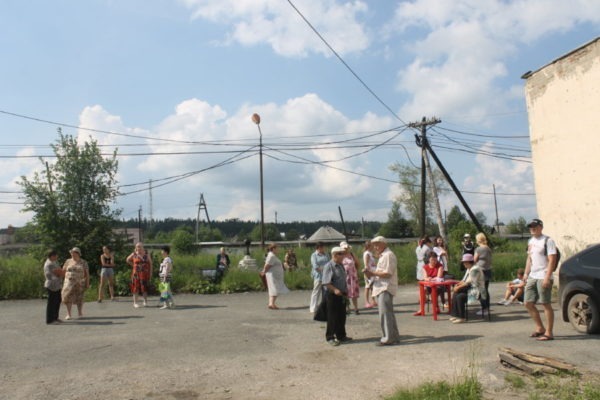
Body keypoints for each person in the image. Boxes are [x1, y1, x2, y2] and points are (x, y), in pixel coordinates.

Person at [523, 218, 557, 341]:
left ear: (541, 227)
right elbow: (529, 258)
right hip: (533, 275)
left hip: (543, 275)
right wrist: (526, 274)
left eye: (535, 226)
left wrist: (547, 277)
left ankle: (549, 332)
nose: (532, 228)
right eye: (531, 226)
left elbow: (552, 259)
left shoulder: (548, 240)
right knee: (528, 303)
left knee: (545, 303)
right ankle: (539, 327)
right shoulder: (530, 241)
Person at [364, 236, 400, 346]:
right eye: (374, 244)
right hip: (381, 287)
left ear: (384, 244)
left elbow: (388, 273)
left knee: (385, 314)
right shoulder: (384, 255)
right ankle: (393, 336)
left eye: (377, 244)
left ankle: (388, 338)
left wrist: (372, 273)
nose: (375, 247)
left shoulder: (388, 255)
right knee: (387, 313)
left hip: (385, 287)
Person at [321, 246, 352, 346]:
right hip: (332, 295)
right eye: (341, 254)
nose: (343, 256)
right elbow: (326, 282)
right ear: (334, 255)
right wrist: (335, 289)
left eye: (343, 253)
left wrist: (345, 292)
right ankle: (330, 337)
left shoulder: (340, 265)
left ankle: (341, 335)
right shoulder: (329, 266)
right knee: (332, 317)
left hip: (342, 294)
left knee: (341, 316)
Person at [449, 253, 486, 324]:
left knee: (460, 296)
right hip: (470, 288)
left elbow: (470, 282)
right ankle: (455, 315)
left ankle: (462, 317)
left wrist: (458, 287)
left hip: (476, 290)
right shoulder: (469, 268)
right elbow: (464, 280)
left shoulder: (475, 269)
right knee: (456, 294)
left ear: (468, 262)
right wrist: (457, 285)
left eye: (464, 262)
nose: (463, 264)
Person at [61, 247, 90, 320]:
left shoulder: (83, 262)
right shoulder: (68, 261)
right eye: (71, 253)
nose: (72, 254)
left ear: (78, 253)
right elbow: (63, 271)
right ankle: (69, 314)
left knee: (80, 297)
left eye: (73, 252)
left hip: (79, 282)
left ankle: (80, 313)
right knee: (67, 297)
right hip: (68, 282)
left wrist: (87, 283)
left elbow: (87, 273)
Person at [261, 243, 289, 309]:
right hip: (273, 276)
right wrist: (264, 272)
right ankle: (271, 303)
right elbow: (267, 265)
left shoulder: (272, 255)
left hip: (275, 276)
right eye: (277, 248)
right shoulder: (272, 256)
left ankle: (271, 303)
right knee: (276, 289)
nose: (278, 250)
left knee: (273, 289)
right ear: (273, 249)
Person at [126, 242, 152, 308]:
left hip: (144, 273)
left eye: (140, 246)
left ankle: (145, 301)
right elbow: (127, 260)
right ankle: (135, 303)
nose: (139, 248)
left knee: (144, 287)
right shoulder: (134, 254)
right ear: (136, 247)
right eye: (137, 246)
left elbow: (150, 264)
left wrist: (150, 272)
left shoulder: (146, 254)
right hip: (136, 274)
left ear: (143, 247)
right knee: (135, 287)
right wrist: (133, 266)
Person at [44, 249, 64, 324]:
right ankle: (50, 320)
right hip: (51, 285)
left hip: (57, 285)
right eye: (55, 255)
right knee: (51, 303)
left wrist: (61, 272)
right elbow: (59, 272)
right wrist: (62, 272)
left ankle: (55, 317)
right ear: (52, 256)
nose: (57, 257)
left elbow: (60, 270)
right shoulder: (49, 264)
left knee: (57, 301)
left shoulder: (54, 262)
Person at [340, 241, 360, 314]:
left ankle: (356, 308)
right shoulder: (340, 255)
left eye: (347, 248)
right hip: (345, 277)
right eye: (344, 248)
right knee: (345, 293)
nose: (346, 249)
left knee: (354, 292)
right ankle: (347, 308)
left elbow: (358, 264)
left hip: (353, 277)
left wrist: (355, 272)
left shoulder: (352, 254)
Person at [474, 232, 492, 312]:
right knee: (486, 289)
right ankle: (487, 307)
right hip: (488, 270)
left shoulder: (478, 249)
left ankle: (484, 308)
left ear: (478, 240)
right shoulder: (488, 248)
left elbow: (475, 259)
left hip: (480, 271)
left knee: (481, 290)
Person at [309, 242, 329, 313]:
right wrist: (324, 269)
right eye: (323, 247)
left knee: (326, 292)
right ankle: (313, 308)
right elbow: (315, 266)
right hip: (319, 276)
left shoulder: (326, 254)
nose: (324, 248)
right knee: (316, 292)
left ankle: (325, 308)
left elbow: (329, 263)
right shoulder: (314, 255)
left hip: (327, 276)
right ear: (319, 247)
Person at [362, 240, 377, 309]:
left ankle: (373, 300)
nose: (374, 246)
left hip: (373, 272)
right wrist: (367, 272)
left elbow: (376, 257)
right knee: (367, 287)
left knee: (372, 287)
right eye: (372, 245)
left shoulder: (370, 253)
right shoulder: (367, 253)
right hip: (369, 272)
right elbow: (366, 264)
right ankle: (366, 302)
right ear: (369, 246)